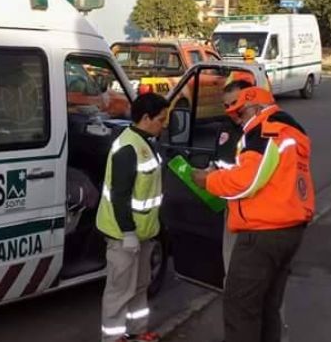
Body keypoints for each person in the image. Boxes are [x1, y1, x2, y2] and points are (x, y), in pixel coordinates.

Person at [192, 82, 315, 342]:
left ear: (254, 105)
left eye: (238, 111)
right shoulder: (290, 128)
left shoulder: (263, 130)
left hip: (262, 233)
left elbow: (247, 181)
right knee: (268, 307)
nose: (235, 117)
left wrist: (207, 181)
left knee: (240, 308)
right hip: (289, 229)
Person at [98, 93, 169, 342]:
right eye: (161, 119)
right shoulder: (128, 148)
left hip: (144, 233)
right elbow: (120, 196)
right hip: (123, 236)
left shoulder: (147, 141)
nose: (165, 124)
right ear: (146, 118)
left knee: (140, 287)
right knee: (119, 291)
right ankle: (113, 337)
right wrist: (128, 232)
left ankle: (138, 331)